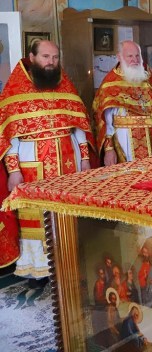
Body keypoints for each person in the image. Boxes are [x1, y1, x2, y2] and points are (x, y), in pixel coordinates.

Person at [0, 40, 93, 281]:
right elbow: (9, 136)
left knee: (69, 213)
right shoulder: (15, 90)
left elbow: (79, 126)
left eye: (54, 57)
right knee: (36, 214)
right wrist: (13, 171)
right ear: (32, 57)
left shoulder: (65, 86)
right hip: (32, 164)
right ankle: (39, 268)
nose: (51, 62)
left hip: (68, 162)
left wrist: (84, 159)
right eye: (45, 57)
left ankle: (70, 263)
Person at [93, 40, 152, 165]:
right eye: (130, 56)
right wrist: (109, 149)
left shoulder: (149, 81)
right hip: (124, 140)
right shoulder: (110, 83)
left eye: (137, 56)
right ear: (119, 57)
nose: (135, 60)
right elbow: (104, 121)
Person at [135, 243, 152, 319]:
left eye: (146, 252)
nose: (145, 254)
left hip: (150, 297)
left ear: (149, 254)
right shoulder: (140, 268)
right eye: (143, 252)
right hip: (142, 295)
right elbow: (138, 283)